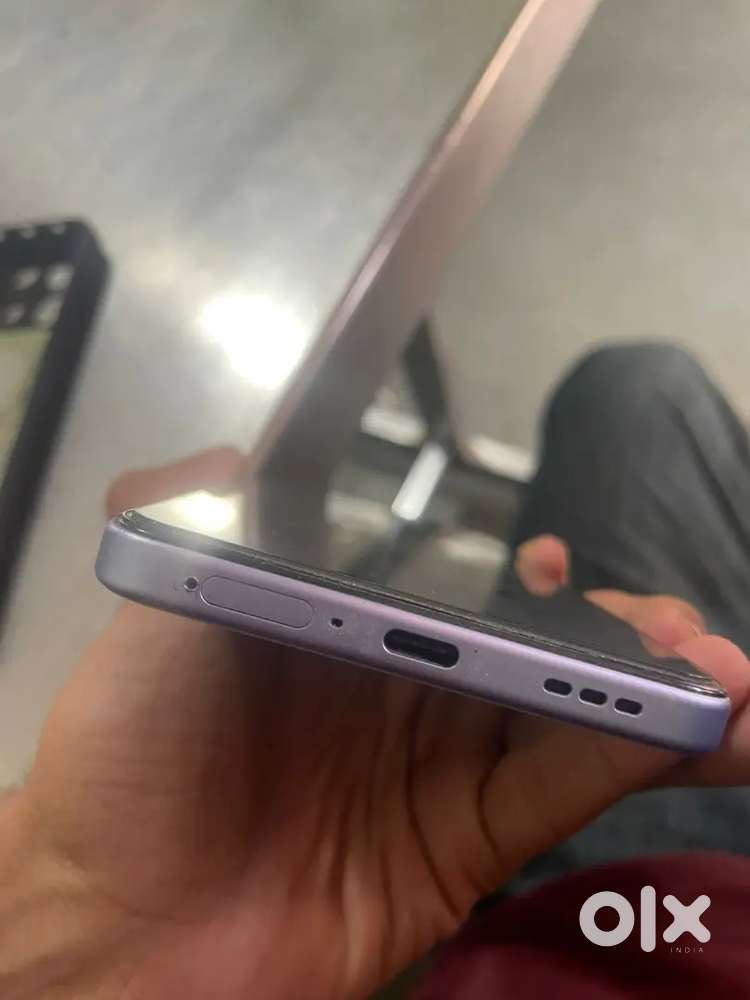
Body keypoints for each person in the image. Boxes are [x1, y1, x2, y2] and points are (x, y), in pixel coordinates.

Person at [1, 343, 750, 999]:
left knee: (637, 392)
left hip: (593, 917)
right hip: (654, 917)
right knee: (638, 391)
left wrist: (93, 942)